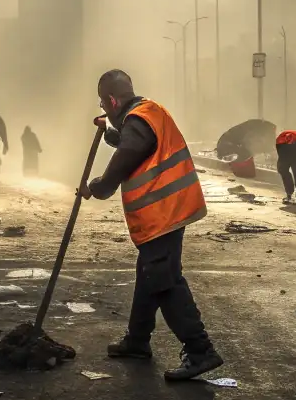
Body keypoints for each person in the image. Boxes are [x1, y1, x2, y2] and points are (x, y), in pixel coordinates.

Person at [85, 69, 222, 381]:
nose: (104, 111)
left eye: (104, 106)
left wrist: (100, 185)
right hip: (170, 209)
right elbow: (135, 142)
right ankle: (137, 340)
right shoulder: (148, 112)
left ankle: (200, 350)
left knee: (163, 278)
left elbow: (131, 151)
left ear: (112, 99)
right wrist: (111, 132)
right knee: (149, 272)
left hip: (162, 212)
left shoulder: (139, 119)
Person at [275, 129, 296, 204]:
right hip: (285, 150)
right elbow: (281, 155)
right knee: (282, 169)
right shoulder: (279, 141)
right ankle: (289, 193)